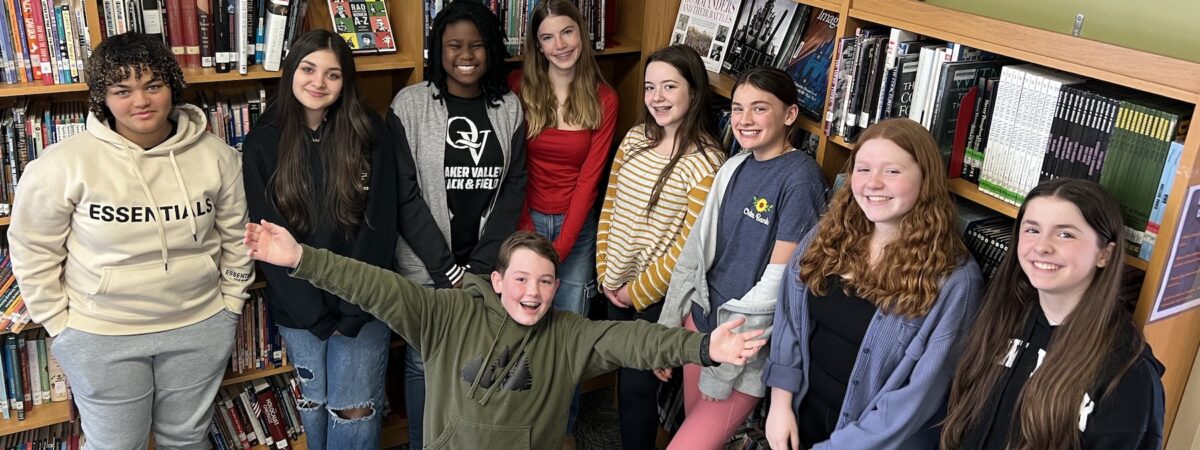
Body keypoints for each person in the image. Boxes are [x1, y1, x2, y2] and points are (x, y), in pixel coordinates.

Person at [243, 224, 768, 450]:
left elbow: (633, 341)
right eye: (520, 279)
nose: (533, 293)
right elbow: (375, 286)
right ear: (497, 283)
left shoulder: (568, 335)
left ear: (556, 287)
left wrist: (704, 348)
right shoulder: (445, 315)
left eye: (544, 282)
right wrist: (299, 259)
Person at [7, 32, 254, 448]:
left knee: (187, 438)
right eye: (123, 90)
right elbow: (33, 250)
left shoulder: (218, 157)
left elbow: (237, 237)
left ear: (171, 86)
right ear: (102, 97)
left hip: (200, 324)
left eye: (153, 86)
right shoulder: (61, 166)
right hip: (100, 334)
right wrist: (59, 324)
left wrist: (230, 303)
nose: (141, 101)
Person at [241, 29, 455, 449]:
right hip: (299, 307)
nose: (318, 83)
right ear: (290, 72)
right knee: (315, 404)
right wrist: (317, 316)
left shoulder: (370, 134)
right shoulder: (262, 142)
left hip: (364, 301)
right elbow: (267, 238)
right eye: (308, 69)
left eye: (332, 74)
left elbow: (380, 225)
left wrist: (354, 309)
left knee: (355, 408)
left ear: (346, 81)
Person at [761, 118, 983, 450]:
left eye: (892, 172)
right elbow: (789, 321)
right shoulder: (827, 234)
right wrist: (779, 404)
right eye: (863, 170)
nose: (873, 183)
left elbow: (918, 397)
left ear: (925, 179)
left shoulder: (955, 280)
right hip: (795, 420)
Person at [658, 66, 828, 450]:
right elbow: (694, 255)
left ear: (789, 115)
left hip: (741, 348)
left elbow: (777, 285)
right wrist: (669, 331)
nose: (744, 120)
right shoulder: (733, 165)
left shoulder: (801, 179)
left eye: (759, 109)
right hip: (697, 328)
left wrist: (729, 346)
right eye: (737, 109)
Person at [388, 1, 527, 447]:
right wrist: (446, 269)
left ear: (490, 50)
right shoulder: (409, 104)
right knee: (421, 362)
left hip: (486, 267)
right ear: (438, 48)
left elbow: (513, 188)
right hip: (426, 268)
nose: (465, 55)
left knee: (481, 361)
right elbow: (404, 195)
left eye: (476, 45)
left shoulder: (509, 107)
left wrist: (480, 267)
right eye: (454, 45)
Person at [941, 178, 1165, 450]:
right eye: (1032, 230)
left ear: (1104, 254)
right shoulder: (1002, 317)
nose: (1042, 246)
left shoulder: (1131, 375)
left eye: (1065, 234)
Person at [594, 44, 725, 450]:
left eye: (670, 86)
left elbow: (689, 247)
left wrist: (637, 291)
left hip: (653, 298)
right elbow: (610, 204)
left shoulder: (707, 162)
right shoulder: (635, 138)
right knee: (621, 377)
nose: (657, 98)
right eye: (651, 87)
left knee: (637, 389)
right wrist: (604, 271)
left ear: (694, 91)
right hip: (613, 284)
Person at [507, 0, 618, 441]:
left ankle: (558, 432)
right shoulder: (518, 87)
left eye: (567, 32)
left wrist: (562, 247)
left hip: (577, 230)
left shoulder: (604, 97)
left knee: (566, 339)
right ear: (536, 44)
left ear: (582, 34)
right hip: (526, 221)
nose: (559, 45)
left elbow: (590, 180)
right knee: (521, 330)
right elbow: (515, 169)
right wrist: (530, 239)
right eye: (548, 36)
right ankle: (517, 429)